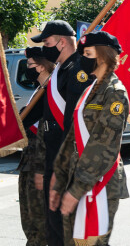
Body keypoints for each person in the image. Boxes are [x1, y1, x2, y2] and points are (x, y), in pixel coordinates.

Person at [50, 31, 129, 245]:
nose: (83, 59)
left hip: (99, 183)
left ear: (103, 56)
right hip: (78, 179)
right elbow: (72, 137)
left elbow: (104, 144)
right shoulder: (90, 90)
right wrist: (60, 173)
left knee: (94, 242)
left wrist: (76, 190)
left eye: (87, 53)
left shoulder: (115, 92)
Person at [31, 20, 93, 246]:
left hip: (66, 160)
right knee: (53, 224)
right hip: (52, 156)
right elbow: (41, 110)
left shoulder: (77, 70)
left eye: (47, 42)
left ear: (62, 41)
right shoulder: (59, 70)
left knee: (66, 227)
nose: (45, 48)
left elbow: (72, 120)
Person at [18, 47, 55, 245]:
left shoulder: (51, 93)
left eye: (30, 65)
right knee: (28, 222)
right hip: (28, 162)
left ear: (41, 67)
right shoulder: (39, 91)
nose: (28, 69)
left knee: (38, 225)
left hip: (39, 165)